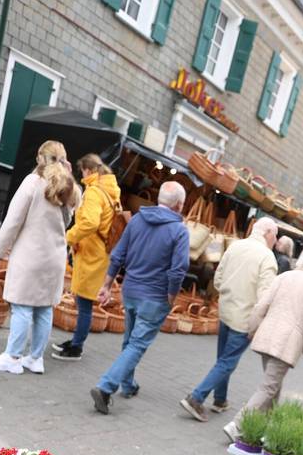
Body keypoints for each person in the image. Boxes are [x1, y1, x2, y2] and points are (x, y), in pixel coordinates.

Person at [0, 140, 80, 376]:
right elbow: (67, 222)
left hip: (30, 255)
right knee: (44, 309)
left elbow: (13, 220)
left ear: (39, 159)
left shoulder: (33, 183)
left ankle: (12, 358)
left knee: (22, 307)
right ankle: (35, 359)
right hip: (54, 258)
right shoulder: (70, 188)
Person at [89, 181, 190, 413]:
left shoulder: (136, 220)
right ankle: (105, 387)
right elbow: (178, 269)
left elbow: (118, 255)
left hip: (131, 291)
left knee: (130, 340)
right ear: (180, 204)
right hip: (155, 296)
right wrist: (172, 295)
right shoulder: (179, 231)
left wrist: (106, 285)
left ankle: (128, 384)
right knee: (137, 344)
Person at [222, 243, 303, 441]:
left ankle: (265, 429)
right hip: (287, 343)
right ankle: (236, 425)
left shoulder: (284, 276)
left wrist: (253, 329)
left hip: (267, 335)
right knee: (269, 387)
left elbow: (261, 305)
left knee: (273, 384)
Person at [180, 217, 279, 422]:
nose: (276, 241)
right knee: (227, 362)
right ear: (268, 233)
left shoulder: (235, 246)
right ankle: (196, 398)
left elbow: (217, 280)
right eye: (275, 236)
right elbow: (264, 297)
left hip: (225, 310)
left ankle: (220, 399)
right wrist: (261, 323)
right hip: (244, 318)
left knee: (223, 360)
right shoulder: (267, 258)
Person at [52, 154, 122, 361]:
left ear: (89, 171)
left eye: (82, 171)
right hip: (99, 254)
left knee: (84, 304)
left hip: (92, 255)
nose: (81, 175)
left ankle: (76, 348)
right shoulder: (111, 191)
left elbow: (90, 223)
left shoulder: (94, 193)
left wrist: (69, 237)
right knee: (83, 302)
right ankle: (76, 341)